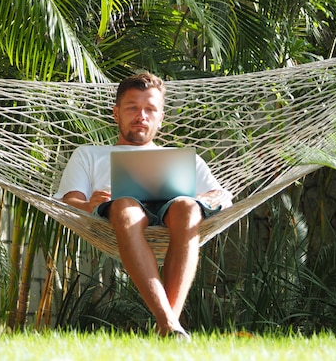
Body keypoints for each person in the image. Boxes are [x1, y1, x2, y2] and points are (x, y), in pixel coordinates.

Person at [54, 72, 233, 339]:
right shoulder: (89, 154)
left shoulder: (184, 160)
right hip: (120, 216)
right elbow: (69, 203)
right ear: (116, 113)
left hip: (176, 216)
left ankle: (167, 326)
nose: (142, 116)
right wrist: (90, 204)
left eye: (150, 109)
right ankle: (169, 324)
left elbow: (223, 197)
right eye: (132, 108)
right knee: (124, 205)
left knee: (188, 207)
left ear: (161, 118)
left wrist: (208, 199)